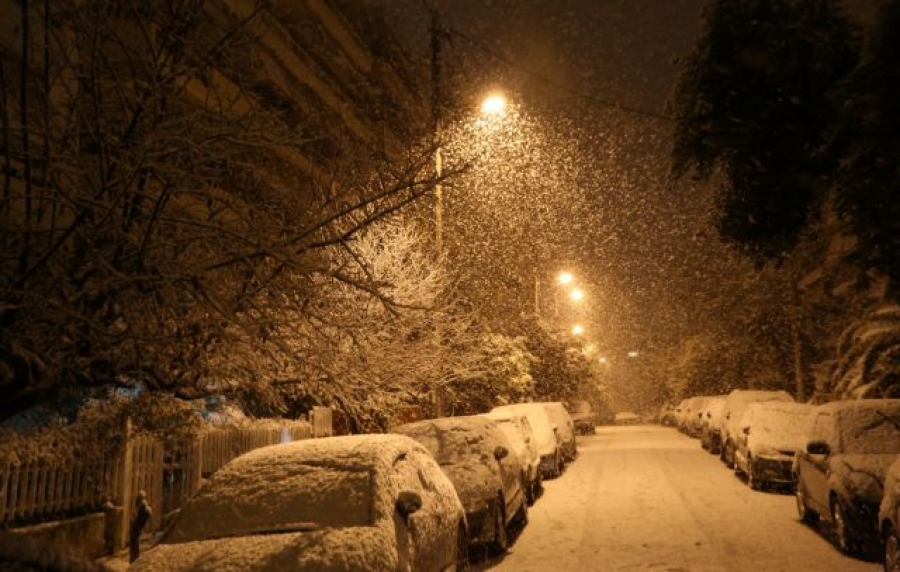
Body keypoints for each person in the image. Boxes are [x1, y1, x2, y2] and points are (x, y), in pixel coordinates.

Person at [129, 490, 152, 563]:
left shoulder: (143, 506)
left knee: (134, 541)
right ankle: (134, 558)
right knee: (134, 541)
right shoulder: (144, 506)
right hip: (137, 526)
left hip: (137, 525)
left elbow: (138, 514)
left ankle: (134, 558)